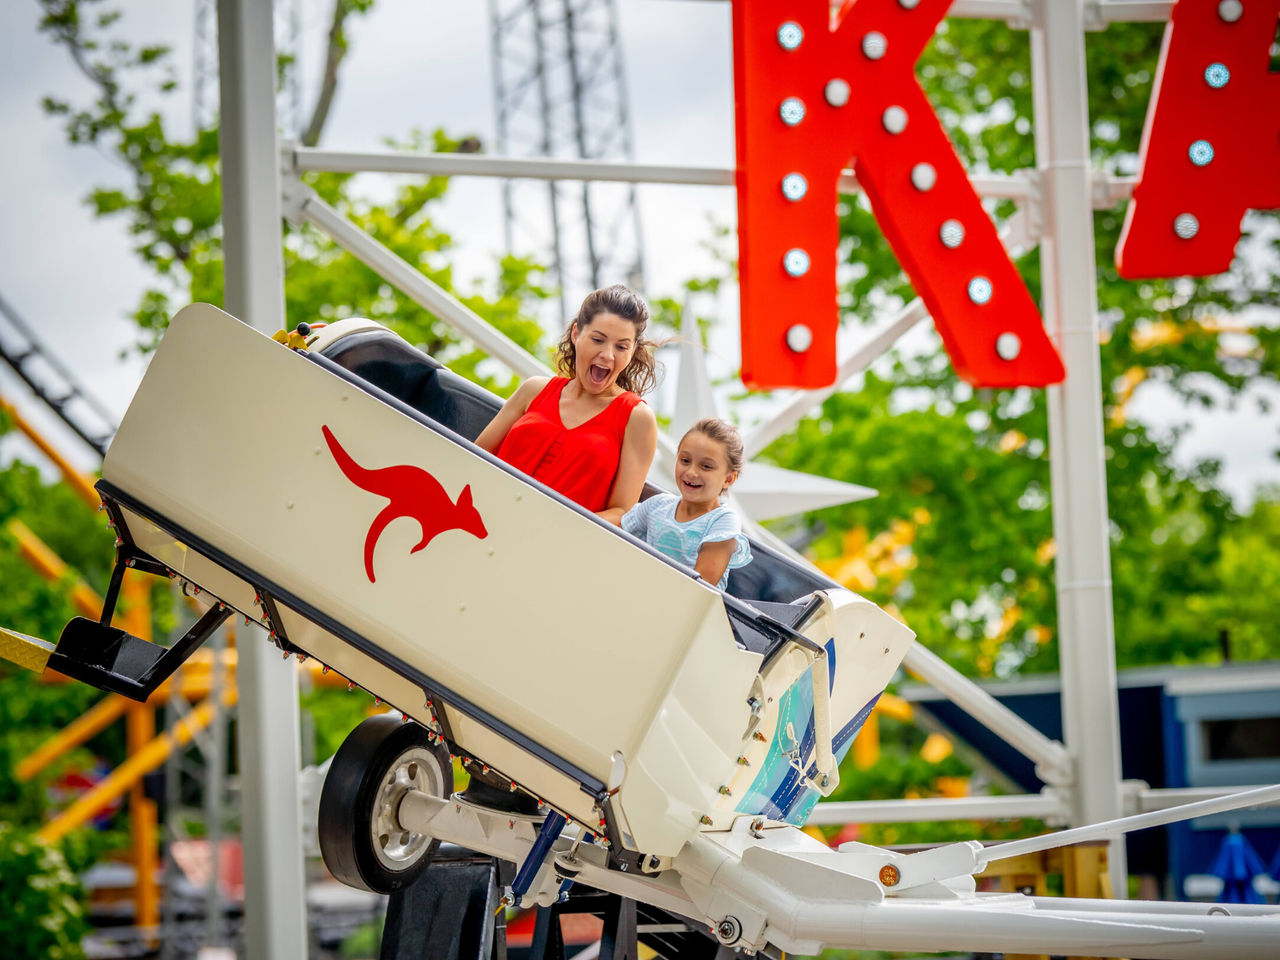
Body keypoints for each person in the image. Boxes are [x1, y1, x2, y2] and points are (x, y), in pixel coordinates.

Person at [477, 284, 660, 525]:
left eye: (621, 346)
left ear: (633, 350)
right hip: (484, 519)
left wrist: (558, 529)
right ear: (576, 334)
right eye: (598, 339)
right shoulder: (534, 390)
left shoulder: (637, 418)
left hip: (554, 547)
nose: (607, 354)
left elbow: (621, 512)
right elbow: (475, 455)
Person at [622, 417, 752, 589]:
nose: (691, 472)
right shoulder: (657, 505)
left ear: (728, 478)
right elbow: (608, 532)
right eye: (685, 461)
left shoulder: (723, 521)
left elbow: (701, 586)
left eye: (706, 466)